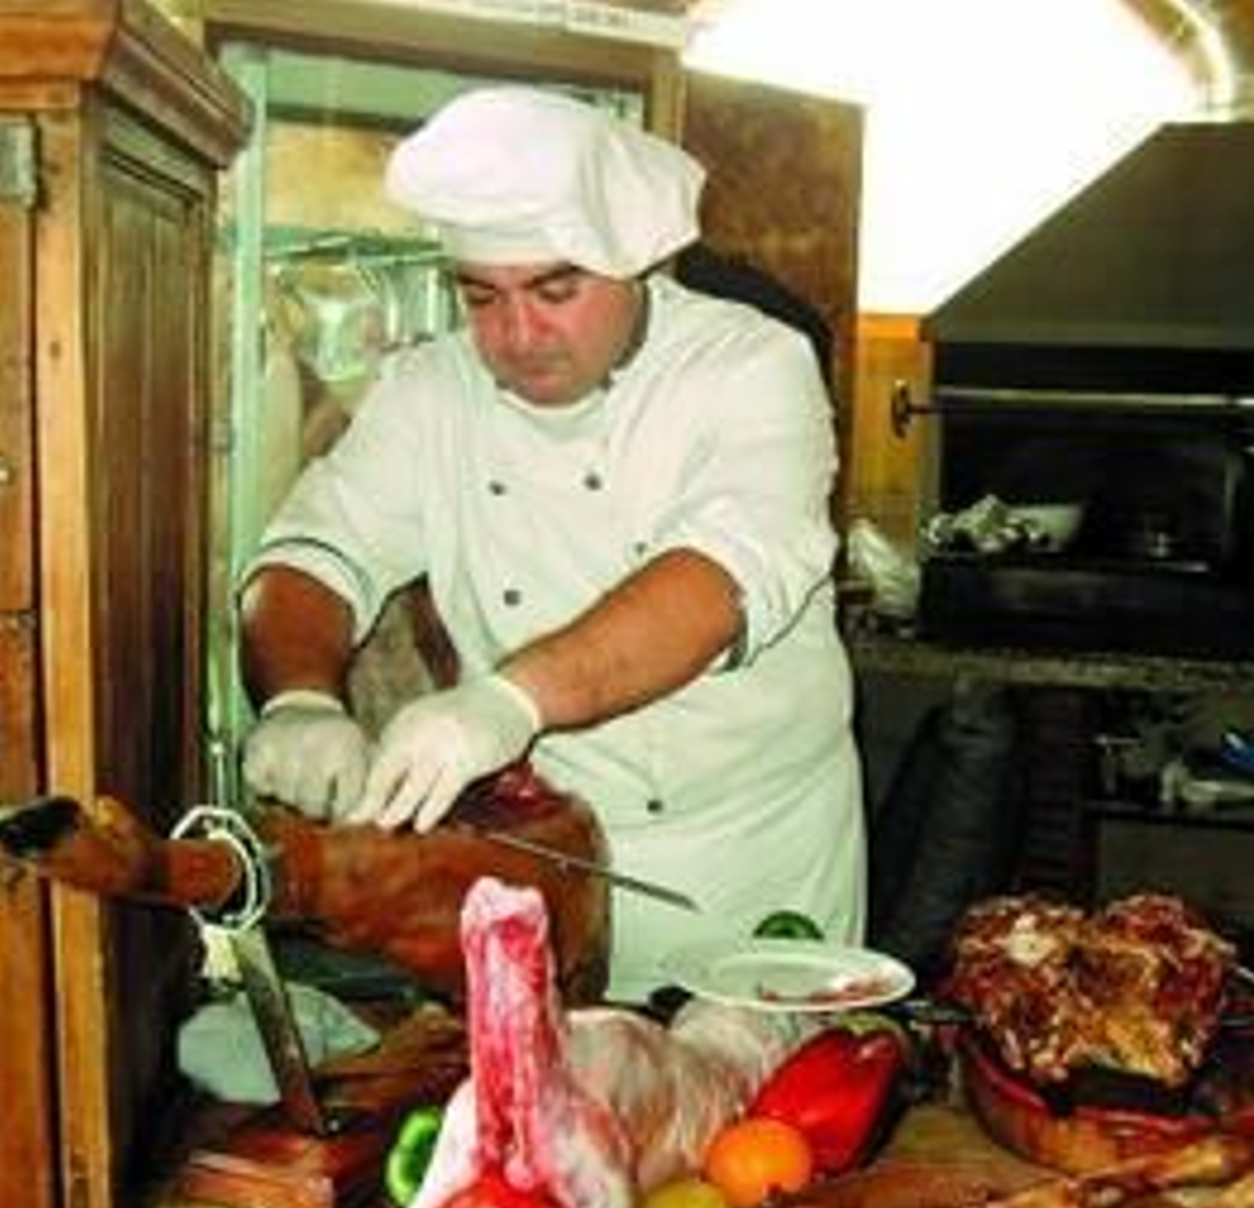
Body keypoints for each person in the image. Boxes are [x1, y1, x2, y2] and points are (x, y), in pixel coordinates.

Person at [237, 86, 867, 1003]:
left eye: (555, 290)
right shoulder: (430, 392)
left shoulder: (750, 367)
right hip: (549, 857)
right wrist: (298, 696)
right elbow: (312, 552)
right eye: (481, 296)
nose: (517, 335)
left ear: (632, 264)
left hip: (753, 858)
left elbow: (716, 581)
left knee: (752, 1092)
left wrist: (505, 701)